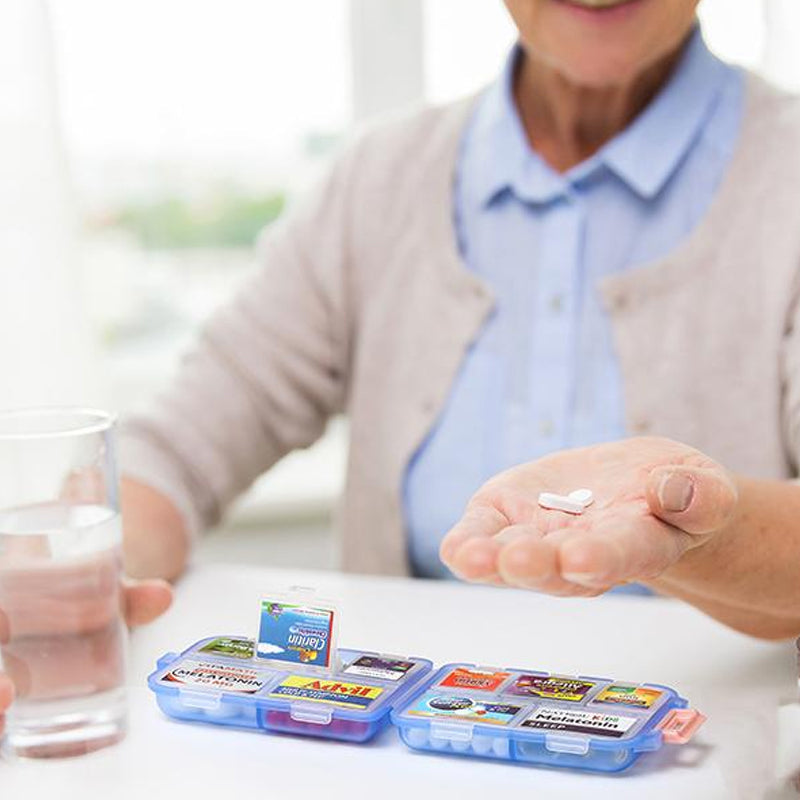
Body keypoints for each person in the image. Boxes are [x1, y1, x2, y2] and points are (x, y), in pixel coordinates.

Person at [7, 0, 800, 735]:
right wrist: (57, 570)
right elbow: (182, 443)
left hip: (718, 758)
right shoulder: (380, 180)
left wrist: (699, 530)